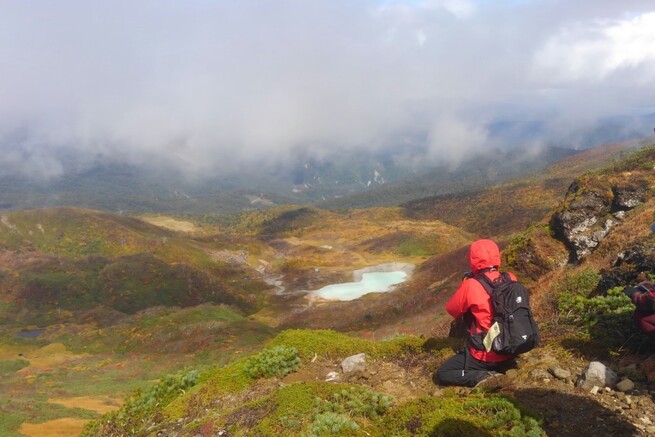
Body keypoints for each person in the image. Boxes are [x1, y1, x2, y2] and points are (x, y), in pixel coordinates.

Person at [434, 239, 516, 387]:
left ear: (473, 259)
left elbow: (452, 310)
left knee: (443, 373)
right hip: (512, 347)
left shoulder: (471, 285)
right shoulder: (510, 277)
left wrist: (465, 285)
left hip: (485, 354)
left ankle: (483, 376)